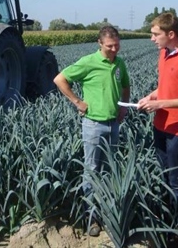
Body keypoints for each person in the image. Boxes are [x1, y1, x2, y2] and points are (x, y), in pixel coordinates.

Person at [53, 25, 130, 237]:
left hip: (114, 123)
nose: (114, 49)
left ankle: (108, 212)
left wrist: (123, 106)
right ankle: (91, 217)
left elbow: (125, 86)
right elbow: (60, 79)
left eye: (117, 45)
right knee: (92, 169)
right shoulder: (89, 62)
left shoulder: (119, 63)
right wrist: (77, 101)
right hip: (94, 124)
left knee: (110, 168)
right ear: (100, 44)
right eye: (109, 46)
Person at [137, 12, 178, 212]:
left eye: (156, 34)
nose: (152, 39)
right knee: (164, 173)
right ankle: (166, 213)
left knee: (175, 177)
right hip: (160, 124)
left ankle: (176, 224)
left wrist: (160, 104)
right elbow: (165, 86)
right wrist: (151, 97)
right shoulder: (164, 53)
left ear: (171, 34)